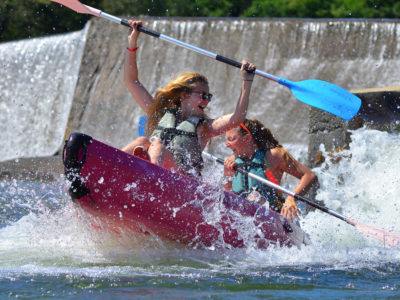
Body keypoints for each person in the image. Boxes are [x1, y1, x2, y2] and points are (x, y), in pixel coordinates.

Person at [123, 20, 255, 177]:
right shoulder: (161, 114)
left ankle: (149, 177)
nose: (206, 101)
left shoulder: (205, 127)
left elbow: (237, 118)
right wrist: (132, 43)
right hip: (161, 175)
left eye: (209, 97)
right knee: (141, 142)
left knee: (156, 144)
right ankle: (108, 164)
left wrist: (247, 81)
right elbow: (132, 81)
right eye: (202, 95)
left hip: (184, 184)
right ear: (184, 95)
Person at [223, 118, 317, 221]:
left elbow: (309, 175)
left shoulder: (273, 156)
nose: (227, 145)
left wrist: (292, 197)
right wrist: (228, 174)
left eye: (231, 139)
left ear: (247, 138)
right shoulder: (231, 162)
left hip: (273, 218)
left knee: (256, 197)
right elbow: (227, 194)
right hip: (241, 219)